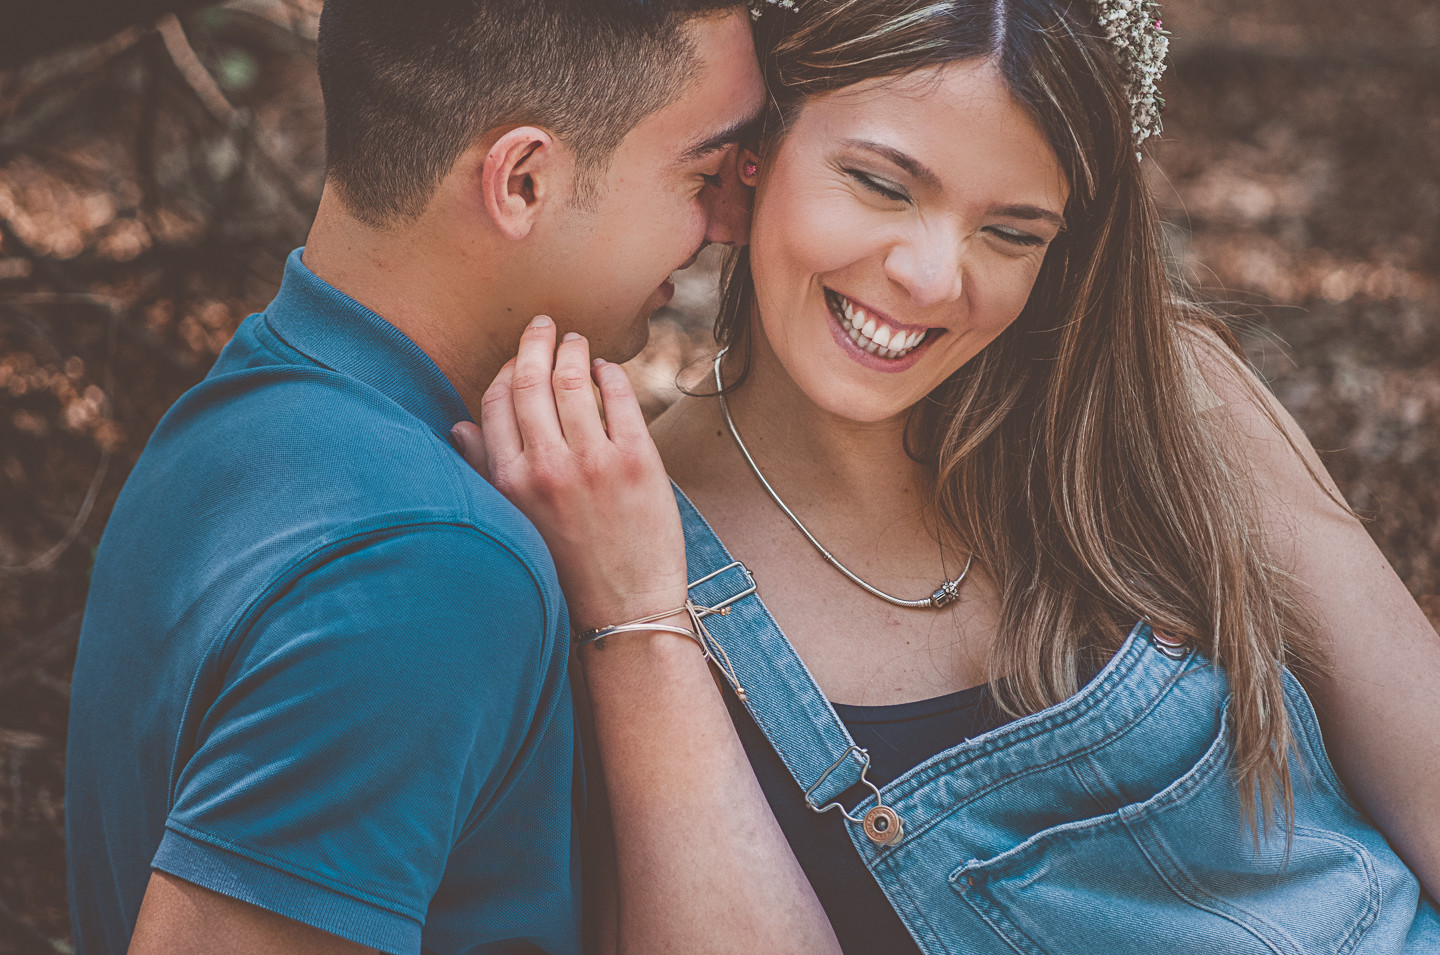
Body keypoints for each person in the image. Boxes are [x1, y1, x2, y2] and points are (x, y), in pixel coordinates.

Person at [454, 0, 1440, 951]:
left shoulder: (1173, 406)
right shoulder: (610, 541)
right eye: (883, 185)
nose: (932, 277)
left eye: (1009, 233)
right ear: (750, 164)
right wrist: (639, 626)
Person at [64, 1, 771, 952]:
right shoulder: (430, 569)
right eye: (703, 171)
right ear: (522, 180)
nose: (731, 221)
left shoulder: (240, 415)